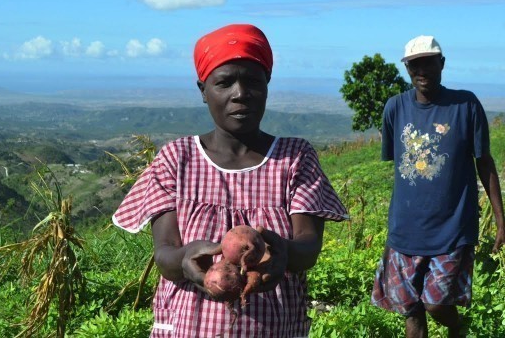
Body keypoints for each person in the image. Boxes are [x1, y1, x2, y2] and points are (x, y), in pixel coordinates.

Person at [112, 23, 348, 337]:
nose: (240, 94)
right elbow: (164, 255)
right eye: (224, 83)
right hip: (189, 328)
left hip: (274, 328)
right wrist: (186, 257)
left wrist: (284, 253)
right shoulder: (176, 158)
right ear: (203, 91)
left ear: (267, 84)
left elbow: (307, 248)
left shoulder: (295, 157)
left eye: (252, 81)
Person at [371, 35, 505, 338]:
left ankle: (458, 327)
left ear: (442, 64)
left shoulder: (466, 105)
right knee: (412, 315)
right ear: (407, 69)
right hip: (405, 230)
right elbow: (400, 165)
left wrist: (501, 222)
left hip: (452, 228)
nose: (422, 71)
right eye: (414, 65)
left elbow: (484, 162)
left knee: (436, 305)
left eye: (428, 63)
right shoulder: (395, 108)